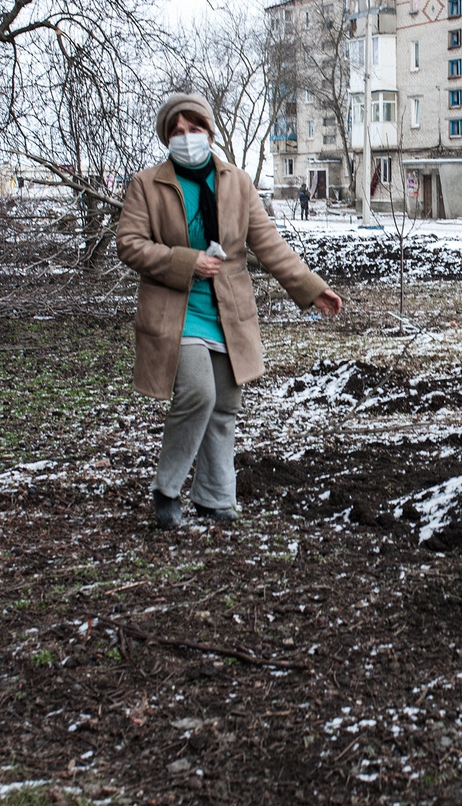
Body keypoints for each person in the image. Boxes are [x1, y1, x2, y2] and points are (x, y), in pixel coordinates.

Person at [117, 93, 343, 529]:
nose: (186, 138)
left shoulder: (236, 182)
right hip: (174, 312)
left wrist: (312, 288)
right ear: (167, 138)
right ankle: (167, 490)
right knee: (198, 393)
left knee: (224, 405)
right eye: (177, 132)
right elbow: (130, 245)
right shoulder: (147, 185)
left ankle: (215, 498)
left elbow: (269, 245)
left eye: (194, 128)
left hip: (228, 312)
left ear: (209, 131)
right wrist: (187, 261)